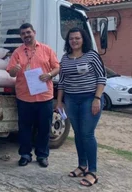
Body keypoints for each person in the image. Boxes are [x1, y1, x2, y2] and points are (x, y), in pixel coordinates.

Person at [56, 27, 106, 187]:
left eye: (77, 38)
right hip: (71, 100)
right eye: (71, 38)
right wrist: (59, 102)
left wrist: (97, 98)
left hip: (90, 99)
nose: (74, 41)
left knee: (87, 134)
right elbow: (62, 82)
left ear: (83, 39)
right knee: (78, 133)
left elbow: (101, 77)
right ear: (68, 41)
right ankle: (82, 166)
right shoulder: (65, 58)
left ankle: (93, 171)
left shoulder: (92, 56)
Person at [6, 23, 60, 168]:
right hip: (24, 97)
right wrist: (14, 70)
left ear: (34, 32)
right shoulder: (17, 52)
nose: (26, 35)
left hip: (44, 97)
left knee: (44, 128)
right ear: (21, 36)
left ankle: (42, 155)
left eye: (28, 32)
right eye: (23, 34)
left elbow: (57, 67)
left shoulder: (46, 49)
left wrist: (49, 75)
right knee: (24, 128)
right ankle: (25, 155)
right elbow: (10, 72)